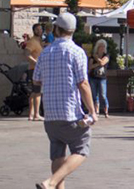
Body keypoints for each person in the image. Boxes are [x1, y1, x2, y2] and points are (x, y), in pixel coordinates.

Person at [33, 13, 97, 189]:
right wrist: (92, 111)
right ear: (73, 30)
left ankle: (53, 185)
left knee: (57, 154)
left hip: (50, 113)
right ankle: (51, 182)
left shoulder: (45, 52)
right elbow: (83, 83)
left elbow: (36, 80)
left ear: (56, 29)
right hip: (70, 113)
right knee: (82, 149)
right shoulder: (77, 52)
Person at [25, 23, 44, 121]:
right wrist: (37, 63)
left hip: (38, 69)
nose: (39, 31)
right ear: (34, 30)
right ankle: (36, 114)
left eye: (41, 29)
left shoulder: (39, 41)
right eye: (37, 29)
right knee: (38, 92)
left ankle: (31, 114)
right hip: (34, 69)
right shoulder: (32, 41)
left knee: (34, 92)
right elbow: (27, 54)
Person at [88, 39, 110, 119]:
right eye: (100, 46)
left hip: (102, 78)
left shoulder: (106, 55)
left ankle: (106, 110)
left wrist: (97, 59)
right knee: (95, 95)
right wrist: (97, 62)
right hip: (93, 77)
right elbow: (90, 66)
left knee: (103, 95)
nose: (102, 48)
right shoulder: (92, 56)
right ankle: (96, 110)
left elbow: (103, 63)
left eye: (103, 46)